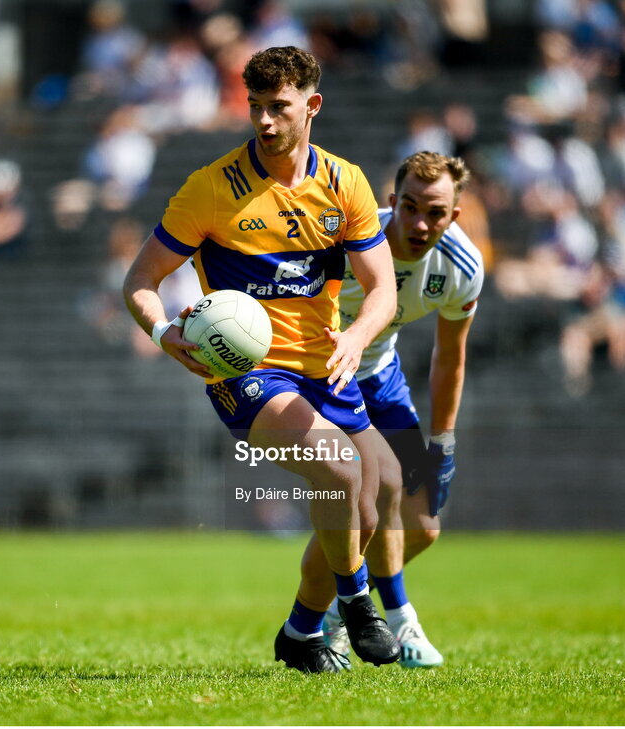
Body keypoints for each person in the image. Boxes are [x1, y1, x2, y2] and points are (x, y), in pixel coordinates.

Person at [124, 46, 401, 673]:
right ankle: (359, 605)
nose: (266, 121)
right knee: (337, 469)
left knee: (371, 495)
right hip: (244, 371)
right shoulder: (210, 189)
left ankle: (300, 633)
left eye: (279, 107)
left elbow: (382, 288)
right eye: (256, 108)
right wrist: (165, 331)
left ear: (312, 105)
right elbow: (139, 280)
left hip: (326, 362)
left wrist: (356, 337)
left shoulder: (345, 183)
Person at [323, 151, 484, 668]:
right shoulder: (350, 241)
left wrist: (444, 443)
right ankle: (399, 620)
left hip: (380, 377)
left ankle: (336, 611)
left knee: (424, 527)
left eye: (435, 212)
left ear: (454, 215)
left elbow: (449, 358)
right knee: (372, 498)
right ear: (391, 202)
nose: (419, 223)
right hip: (323, 377)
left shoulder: (461, 267)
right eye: (409, 206)